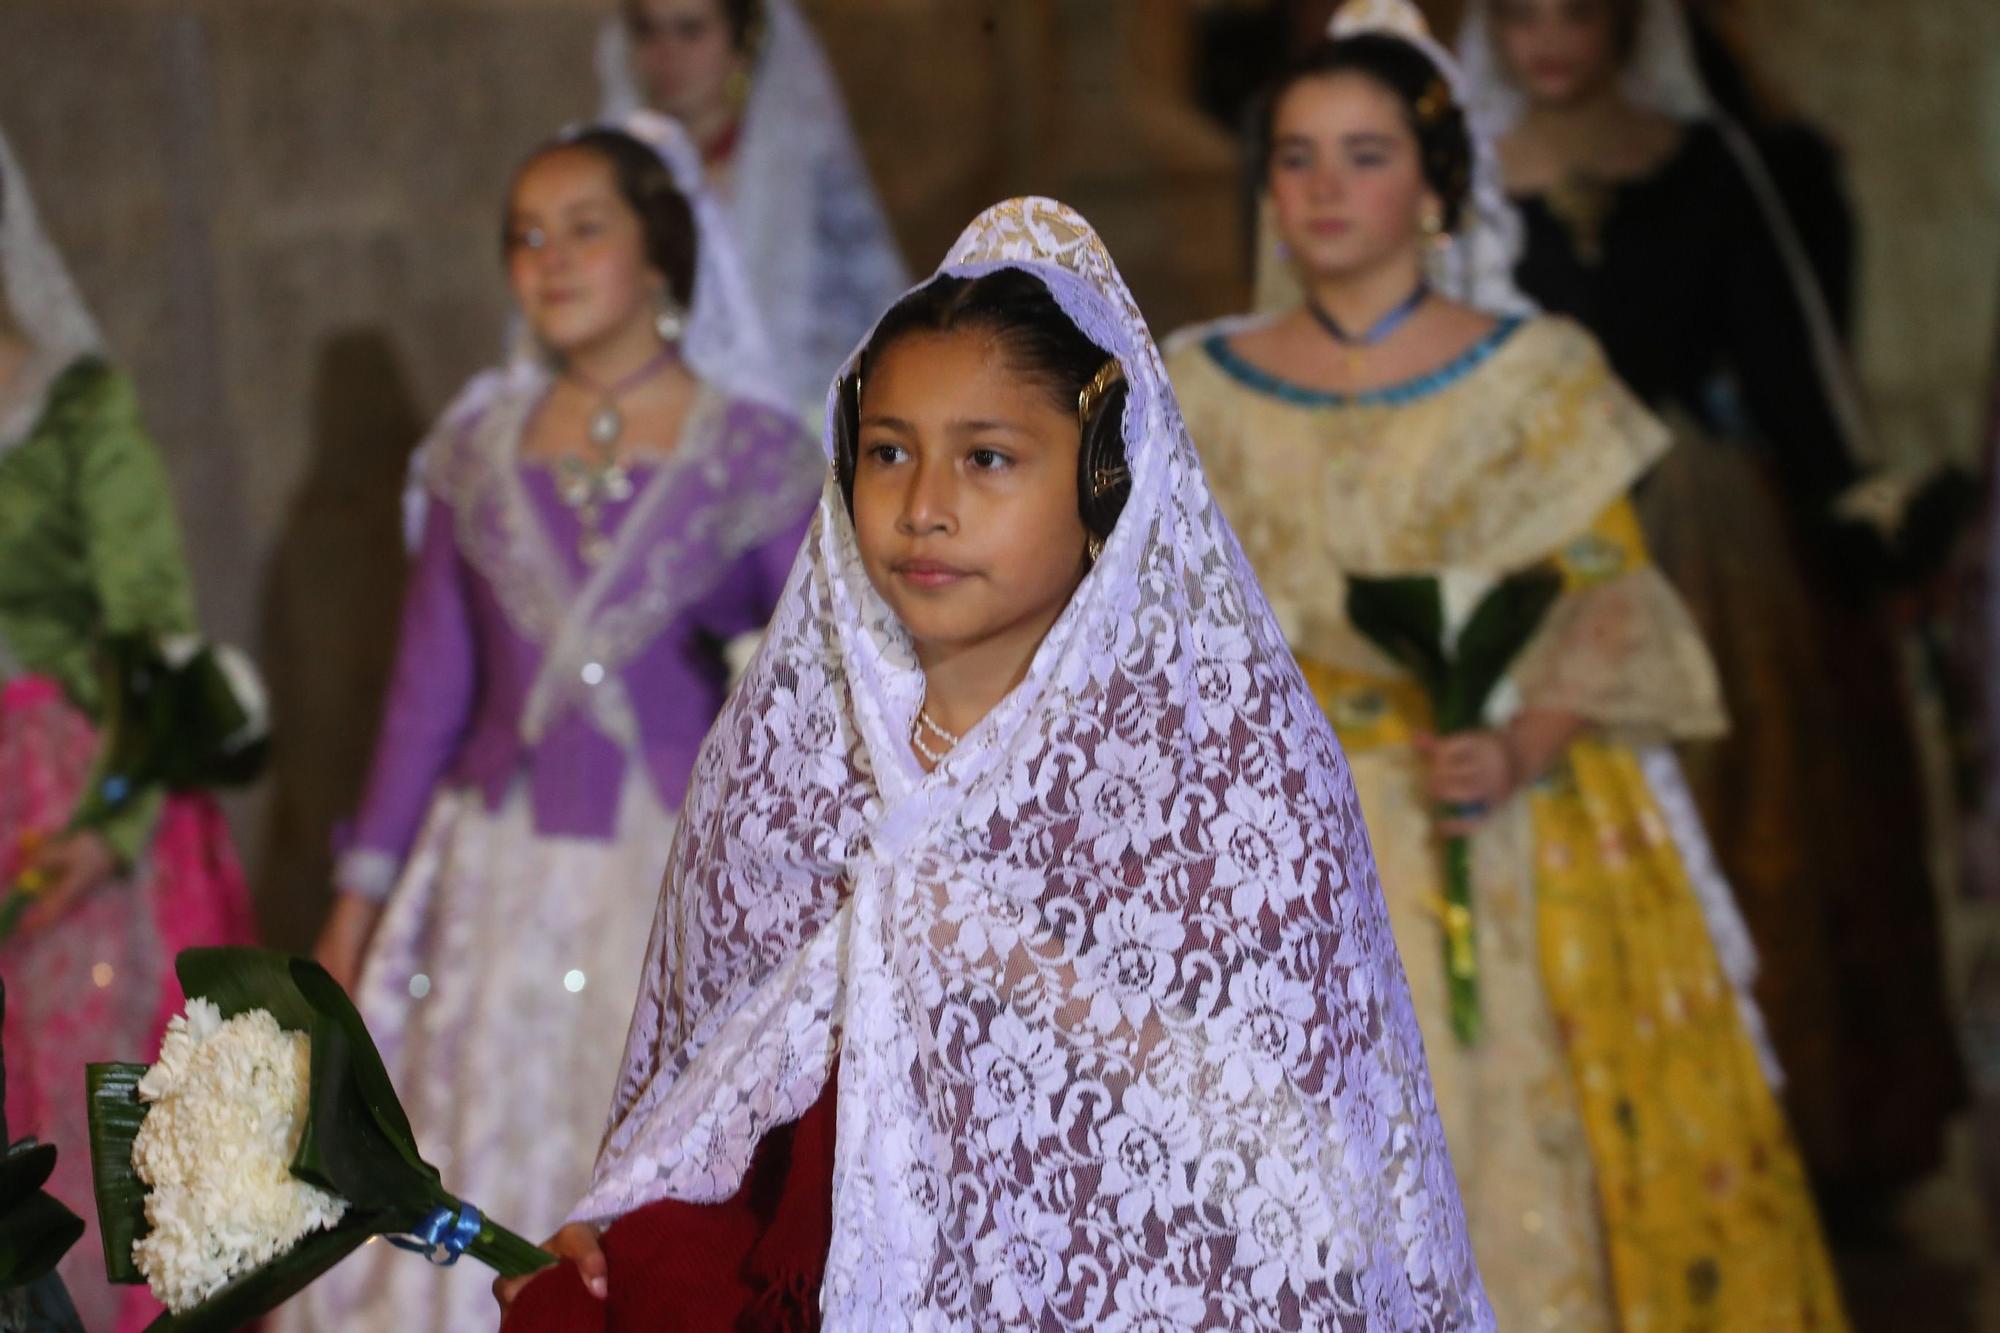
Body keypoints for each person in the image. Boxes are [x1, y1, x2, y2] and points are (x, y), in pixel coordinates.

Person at [495, 195, 1492, 1330]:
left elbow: (1297, 1173)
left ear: (1103, 482)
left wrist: (992, 956)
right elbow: (720, 1091)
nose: (924, 509)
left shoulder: (1220, 779)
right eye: (886, 453)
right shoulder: (792, 767)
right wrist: (628, 1220)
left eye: (986, 458)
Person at [1165, 4, 1845, 1325]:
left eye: (1364, 155)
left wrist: (1520, 742)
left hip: (1507, 823)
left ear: (1437, 184)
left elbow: (1609, 601)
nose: (1322, 190)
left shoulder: (1535, 374)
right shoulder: (1199, 384)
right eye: (1296, 158)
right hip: (1280, 853)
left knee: (1511, 1165)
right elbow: (1164, 638)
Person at [283, 114, 820, 1332]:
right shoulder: (474, 450)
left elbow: (814, 680)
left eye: (586, 229)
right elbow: (425, 693)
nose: (552, 259)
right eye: (527, 237)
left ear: (661, 256)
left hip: (673, 885)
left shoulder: (753, 453)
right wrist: (357, 903)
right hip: (493, 872)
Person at [1456, 0, 1965, 1207]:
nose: (1546, 42)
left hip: (1696, 535)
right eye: (1517, 16)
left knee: (1736, 815)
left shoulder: (1703, 166)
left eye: (1573, 14)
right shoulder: (1457, 178)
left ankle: (1746, 1135)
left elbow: (1789, 373)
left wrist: (1856, 514)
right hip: (1524, 531)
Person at [0, 123, 256, 1333]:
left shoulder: (75, 412)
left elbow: (152, 633)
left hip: (70, 802)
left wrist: (114, 822)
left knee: (87, 1128)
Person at [598, 0, 909, 416]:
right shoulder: (615, 174)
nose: (666, 54)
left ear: (742, 42)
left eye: (690, 31)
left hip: (798, 418)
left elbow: (877, 312)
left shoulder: (800, 169)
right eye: (647, 32)